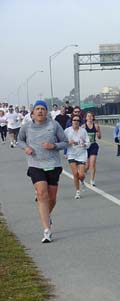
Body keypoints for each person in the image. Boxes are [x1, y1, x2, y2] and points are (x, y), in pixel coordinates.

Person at [17, 100, 68, 243]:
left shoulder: (54, 125)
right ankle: (47, 231)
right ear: (32, 112)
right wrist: (25, 148)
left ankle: (46, 215)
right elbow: (20, 140)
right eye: (37, 109)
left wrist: (53, 145)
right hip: (35, 164)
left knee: (52, 198)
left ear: (47, 112)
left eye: (43, 109)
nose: (40, 111)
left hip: (53, 164)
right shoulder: (26, 127)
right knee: (41, 193)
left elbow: (65, 142)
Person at [64, 114, 90, 199]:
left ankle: (82, 181)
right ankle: (77, 192)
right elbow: (62, 142)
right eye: (74, 120)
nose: (76, 122)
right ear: (71, 121)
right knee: (75, 173)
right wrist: (68, 142)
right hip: (71, 154)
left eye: (77, 120)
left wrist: (84, 144)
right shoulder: (67, 131)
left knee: (81, 175)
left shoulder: (83, 131)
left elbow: (88, 143)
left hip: (81, 154)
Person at [82, 111, 101, 186]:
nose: (90, 117)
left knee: (92, 164)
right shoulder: (83, 127)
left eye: (91, 116)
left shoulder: (96, 126)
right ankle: (83, 174)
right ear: (86, 118)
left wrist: (98, 134)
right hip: (86, 147)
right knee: (86, 166)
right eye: (88, 116)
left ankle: (92, 180)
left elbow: (100, 137)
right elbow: (81, 137)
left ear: (93, 117)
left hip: (93, 146)